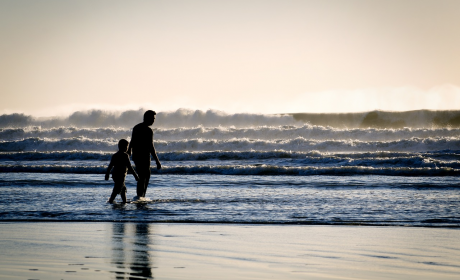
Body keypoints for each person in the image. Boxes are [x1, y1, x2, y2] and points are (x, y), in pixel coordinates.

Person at [127, 110, 162, 198]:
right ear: (147, 118)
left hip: (136, 156)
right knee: (144, 176)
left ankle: (141, 196)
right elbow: (151, 146)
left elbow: (132, 140)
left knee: (143, 176)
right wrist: (157, 161)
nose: (153, 121)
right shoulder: (148, 130)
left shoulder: (136, 127)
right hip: (144, 156)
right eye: (153, 119)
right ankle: (141, 196)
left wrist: (129, 150)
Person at [105, 139, 139, 203]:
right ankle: (110, 201)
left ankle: (124, 201)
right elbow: (130, 167)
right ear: (123, 147)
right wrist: (135, 176)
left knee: (122, 189)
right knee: (116, 189)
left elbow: (110, 166)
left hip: (115, 175)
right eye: (126, 147)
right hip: (120, 175)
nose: (127, 148)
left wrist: (107, 174)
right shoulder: (125, 156)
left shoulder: (115, 155)